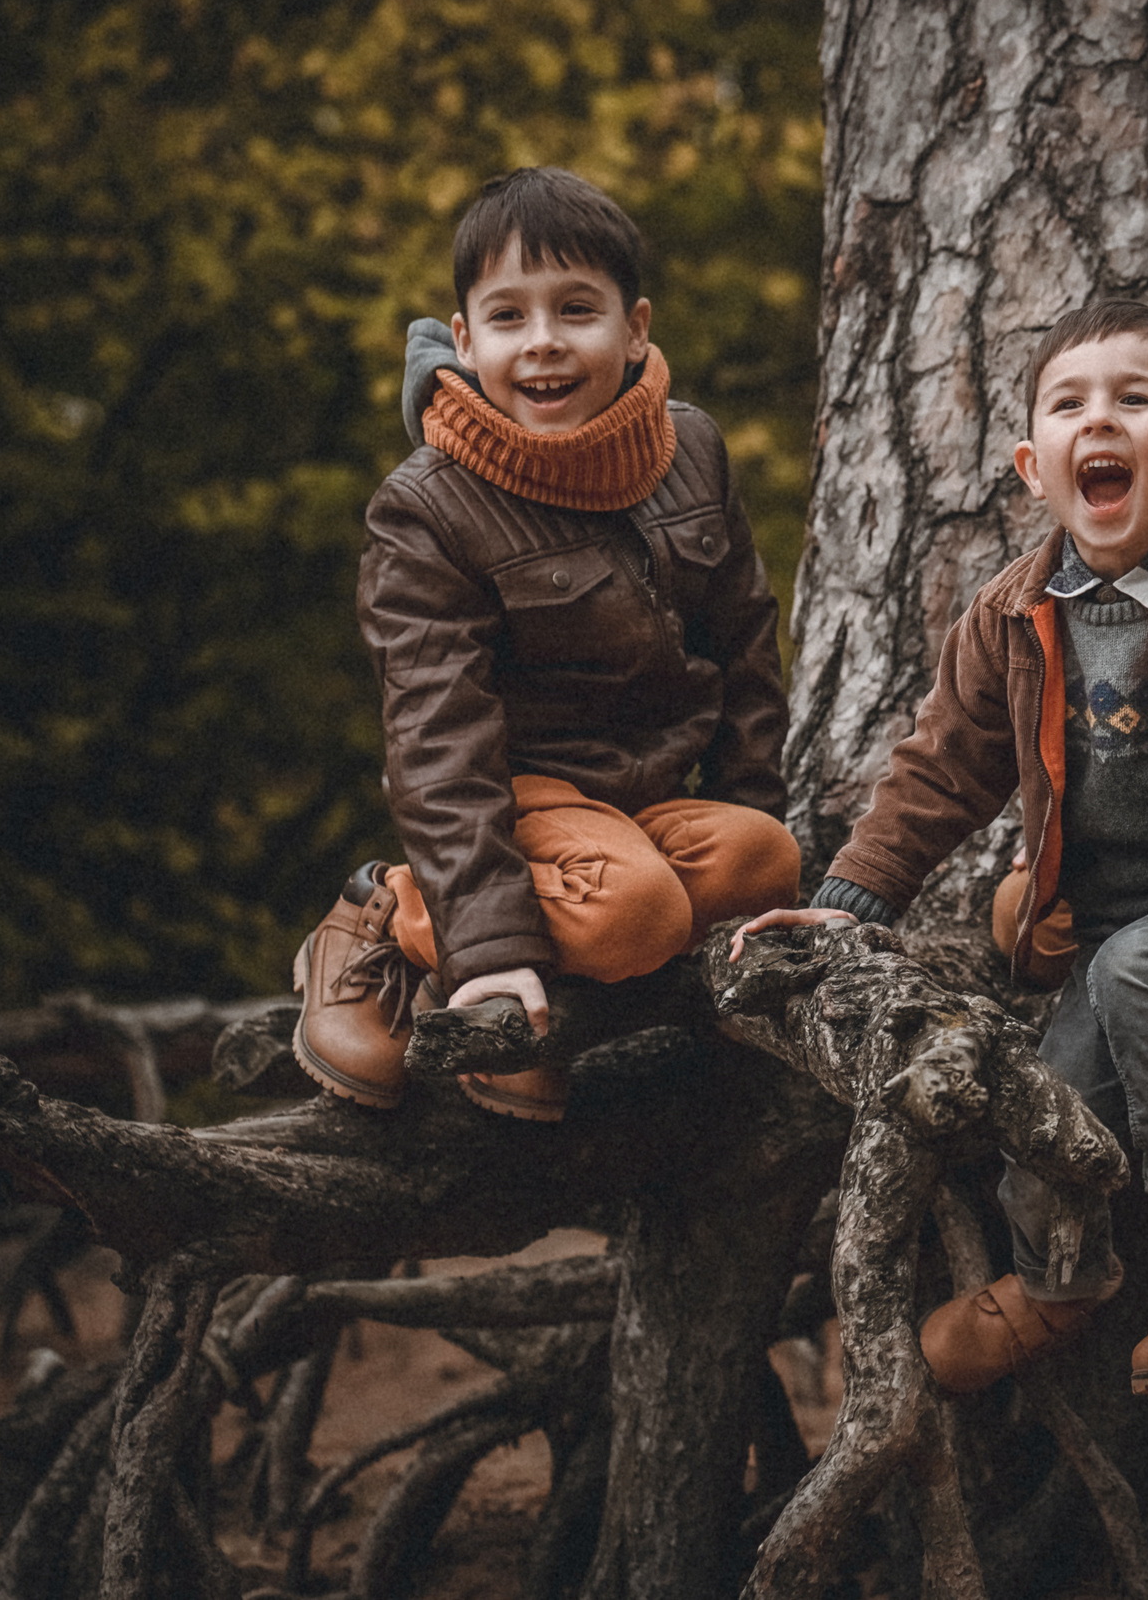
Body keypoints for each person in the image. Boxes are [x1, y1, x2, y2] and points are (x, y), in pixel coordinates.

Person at [734, 300, 1148, 1397]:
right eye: (1071, 404)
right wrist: (854, 895)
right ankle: (1058, 1279)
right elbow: (942, 767)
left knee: (1147, 968)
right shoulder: (1011, 613)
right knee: (1051, 1094)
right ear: (1034, 466)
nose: (1104, 420)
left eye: (1135, 400)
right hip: (1105, 915)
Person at [291, 167, 799, 1123]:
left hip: (643, 804)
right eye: (510, 317)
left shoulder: (691, 449)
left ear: (636, 326)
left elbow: (744, 649)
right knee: (635, 912)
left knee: (766, 856)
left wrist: (745, 832)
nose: (546, 343)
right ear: (467, 337)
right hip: (519, 800)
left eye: (577, 309)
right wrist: (491, 953)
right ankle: (397, 911)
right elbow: (437, 740)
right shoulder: (428, 509)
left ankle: (588, 915)